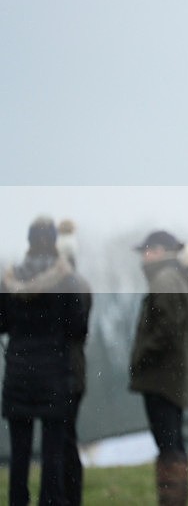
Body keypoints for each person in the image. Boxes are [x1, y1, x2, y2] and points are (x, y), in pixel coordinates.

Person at [1, 216, 90, 506]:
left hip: (17, 372)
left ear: (27, 241)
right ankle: (51, 501)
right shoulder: (66, 280)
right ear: (54, 242)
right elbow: (77, 328)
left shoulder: (10, 279)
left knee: (20, 452)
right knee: (53, 452)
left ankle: (17, 500)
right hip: (54, 373)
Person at [129, 230, 188, 505]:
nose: (144, 256)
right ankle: (174, 498)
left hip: (161, 376)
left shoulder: (165, 279)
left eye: (147, 249)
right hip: (169, 375)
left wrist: (141, 356)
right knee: (172, 442)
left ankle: (172, 500)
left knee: (168, 444)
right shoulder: (172, 277)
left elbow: (166, 329)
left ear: (159, 251)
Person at [56, 219, 93, 506]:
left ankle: (68, 497)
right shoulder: (81, 285)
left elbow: (75, 329)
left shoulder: (70, 287)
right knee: (65, 438)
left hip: (65, 372)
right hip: (71, 371)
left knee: (64, 439)